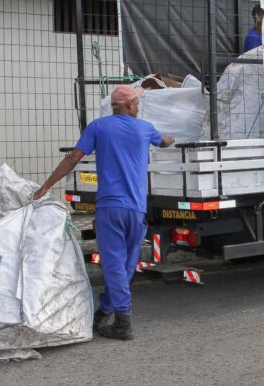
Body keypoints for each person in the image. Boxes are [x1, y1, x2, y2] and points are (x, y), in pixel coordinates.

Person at [33, 85, 175, 341]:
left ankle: (118, 318)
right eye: (137, 103)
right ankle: (110, 314)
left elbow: (72, 159)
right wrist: (171, 138)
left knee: (116, 266)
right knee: (125, 266)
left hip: (111, 209)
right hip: (136, 209)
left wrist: (46, 185)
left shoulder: (98, 127)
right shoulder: (145, 129)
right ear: (130, 105)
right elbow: (163, 141)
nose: (139, 107)